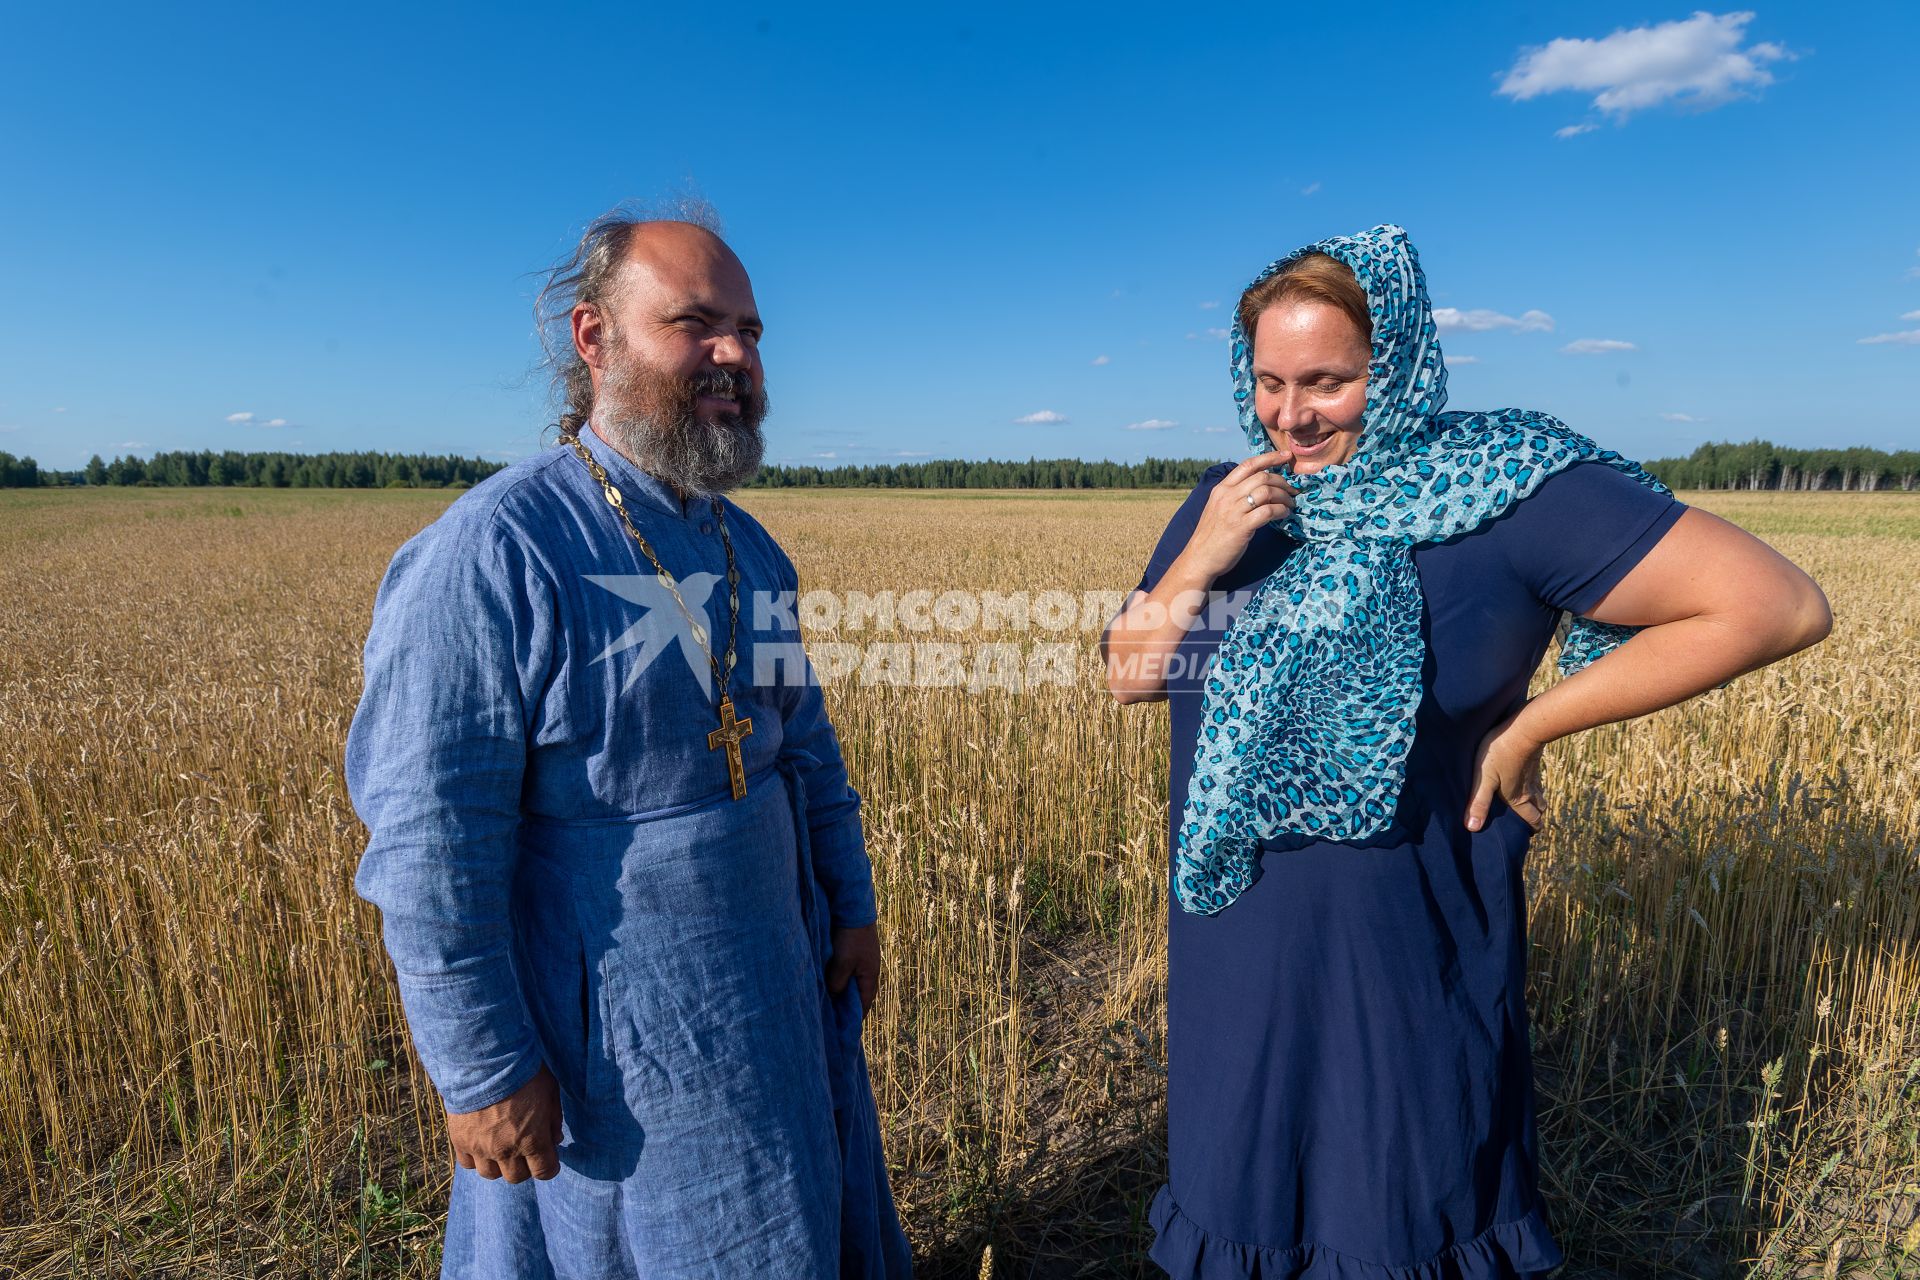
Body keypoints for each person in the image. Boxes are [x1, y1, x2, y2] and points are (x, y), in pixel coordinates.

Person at [1102, 225, 1830, 1278]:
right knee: (1244, 1210)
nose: (1290, 414)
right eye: (1267, 381)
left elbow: (1777, 604)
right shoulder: (1236, 501)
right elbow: (1130, 673)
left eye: (1328, 381)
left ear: (1395, 365)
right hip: (1236, 948)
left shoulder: (1504, 489)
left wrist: (1538, 720)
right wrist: (1200, 557)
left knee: (1401, 1212)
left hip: (1410, 954)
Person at [346, 206, 912, 1278]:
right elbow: (431, 840)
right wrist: (482, 1067)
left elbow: (806, 750)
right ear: (593, 336)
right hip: (615, 1046)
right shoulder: (493, 552)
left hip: (778, 993)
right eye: (697, 323)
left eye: (748, 330)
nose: (735, 356)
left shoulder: (750, 548)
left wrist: (853, 902)